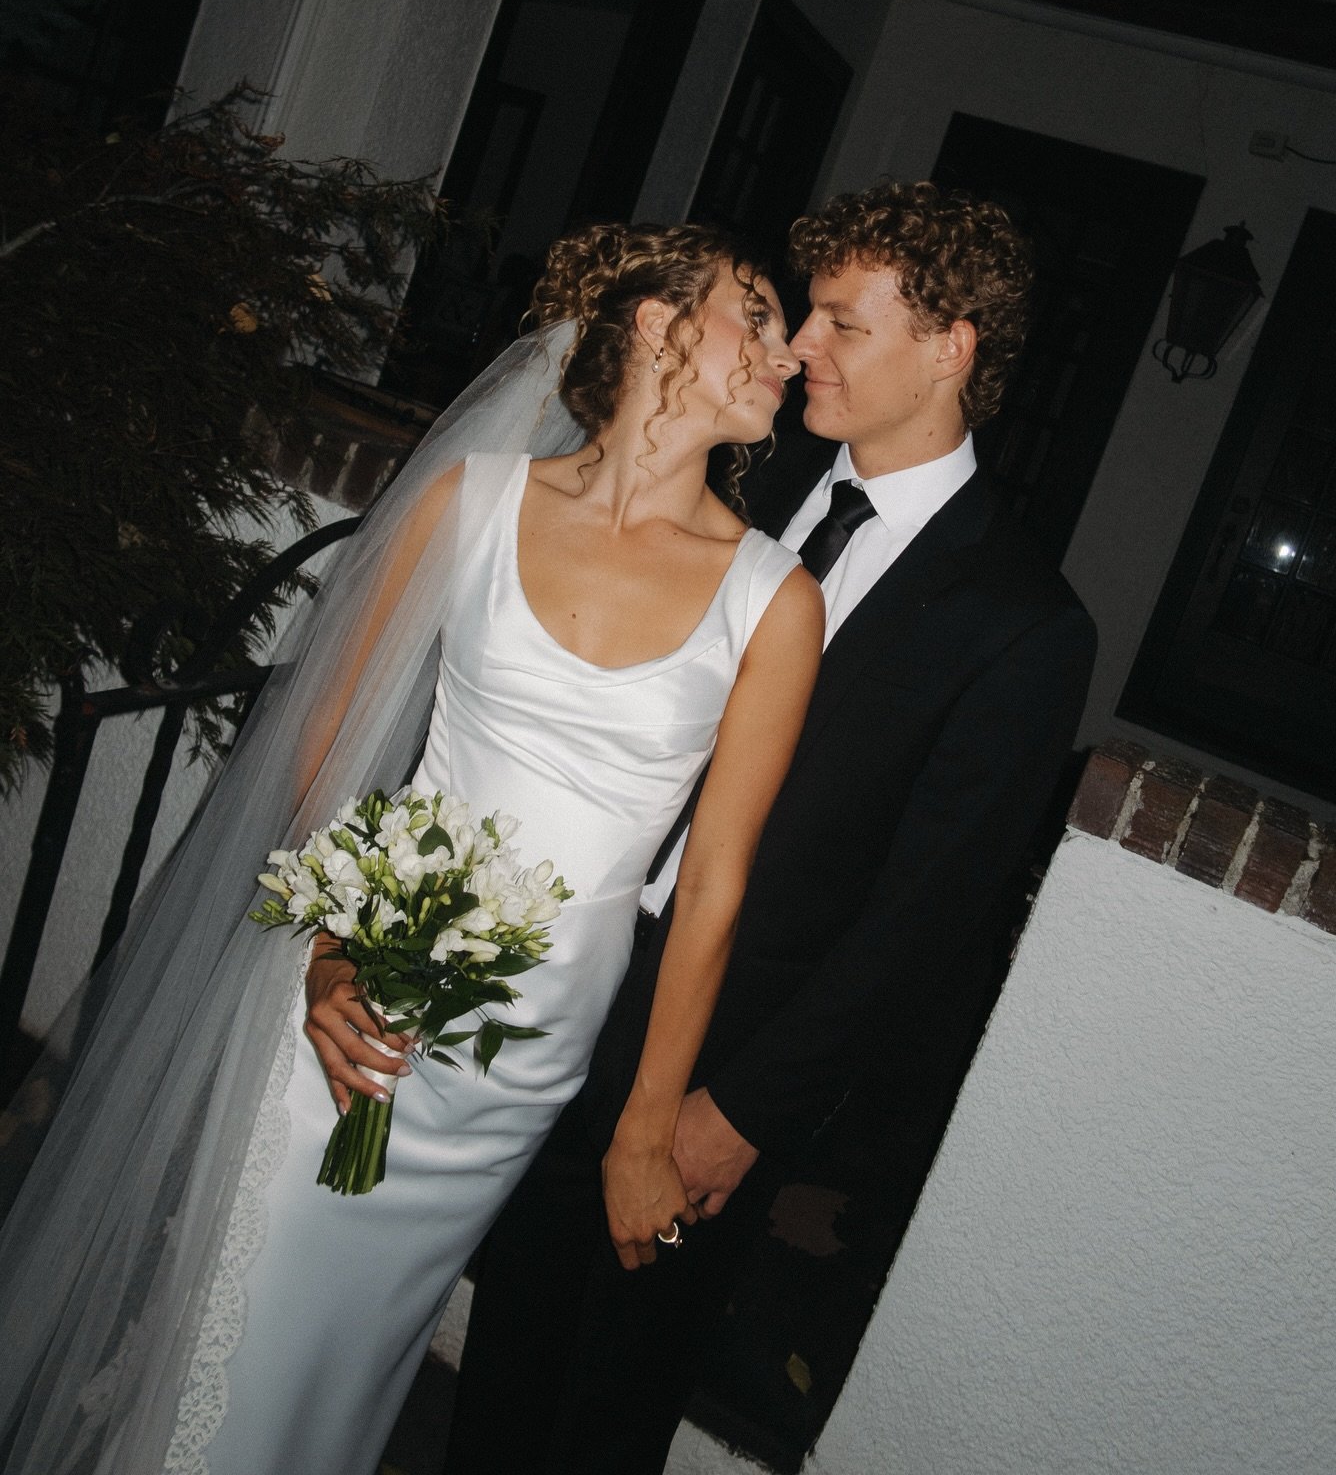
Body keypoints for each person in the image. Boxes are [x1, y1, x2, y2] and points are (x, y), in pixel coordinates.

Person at [0, 223, 823, 1475]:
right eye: (753, 316)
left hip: (528, 1049)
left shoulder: (775, 596)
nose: (786, 351)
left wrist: (644, 1129)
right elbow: (322, 752)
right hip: (358, 984)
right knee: (244, 1313)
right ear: (658, 327)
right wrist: (329, 956)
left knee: (357, 1346)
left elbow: (711, 885)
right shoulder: (472, 501)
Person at [444, 182, 1099, 1474]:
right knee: (505, 1337)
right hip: (574, 975)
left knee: (603, 1400)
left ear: (951, 346)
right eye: (806, 314)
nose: (801, 344)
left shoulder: (1023, 624)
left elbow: (920, 924)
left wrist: (738, 1112)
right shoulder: (757, 466)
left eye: (844, 323)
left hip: (727, 1057)